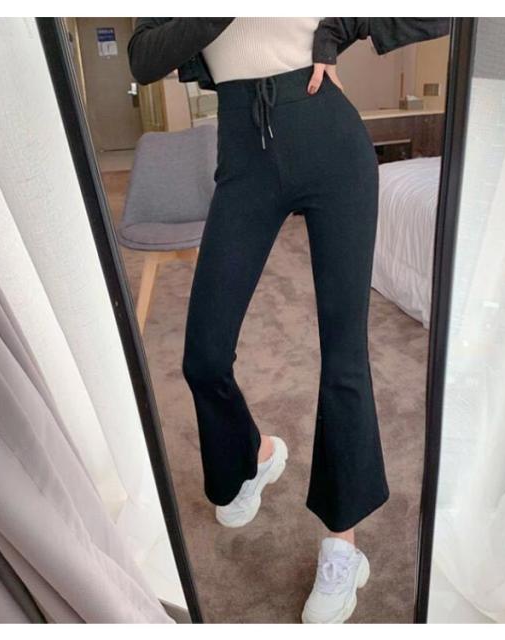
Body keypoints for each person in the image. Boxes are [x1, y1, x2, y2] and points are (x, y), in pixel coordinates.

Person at [128, 17, 450, 624]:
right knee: (203, 355)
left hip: (331, 144)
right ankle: (255, 454)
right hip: (243, 156)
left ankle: (343, 543)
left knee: (344, 356)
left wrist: (338, 29)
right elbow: (143, 58)